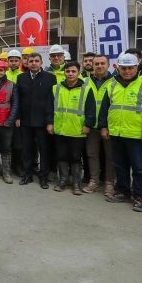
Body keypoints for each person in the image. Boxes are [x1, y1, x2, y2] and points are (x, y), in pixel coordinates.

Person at [98, 53, 142, 213]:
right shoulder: (111, 85)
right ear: (118, 68)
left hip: (136, 135)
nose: (127, 71)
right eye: (124, 68)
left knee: (139, 167)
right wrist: (104, 127)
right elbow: (105, 108)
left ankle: (139, 196)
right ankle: (123, 192)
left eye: (130, 68)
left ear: (137, 67)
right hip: (117, 133)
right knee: (120, 165)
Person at [47, 62, 96, 195]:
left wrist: (88, 125)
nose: (70, 74)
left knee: (75, 157)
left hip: (77, 130)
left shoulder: (86, 89)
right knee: (61, 155)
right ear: (64, 73)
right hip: (60, 129)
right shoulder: (56, 88)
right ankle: (62, 180)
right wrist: (50, 123)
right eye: (68, 71)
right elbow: (49, 108)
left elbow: (91, 110)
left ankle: (76, 183)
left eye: (73, 71)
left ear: (79, 73)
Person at [15, 53, 56, 188]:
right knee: (26, 150)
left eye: (36, 61)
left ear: (41, 62)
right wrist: (18, 117)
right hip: (25, 121)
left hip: (43, 122)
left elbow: (51, 101)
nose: (33, 63)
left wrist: (50, 121)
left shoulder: (50, 78)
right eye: (31, 61)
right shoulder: (21, 78)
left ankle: (43, 177)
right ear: (27, 62)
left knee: (44, 151)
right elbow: (18, 100)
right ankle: (27, 175)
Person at [84, 55, 115, 196]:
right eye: (96, 63)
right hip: (91, 126)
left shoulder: (115, 82)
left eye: (102, 63)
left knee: (110, 156)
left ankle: (109, 183)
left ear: (108, 65)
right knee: (92, 154)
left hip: (109, 126)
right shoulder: (85, 81)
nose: (99, 66)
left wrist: (107, 125)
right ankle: (94, 181)